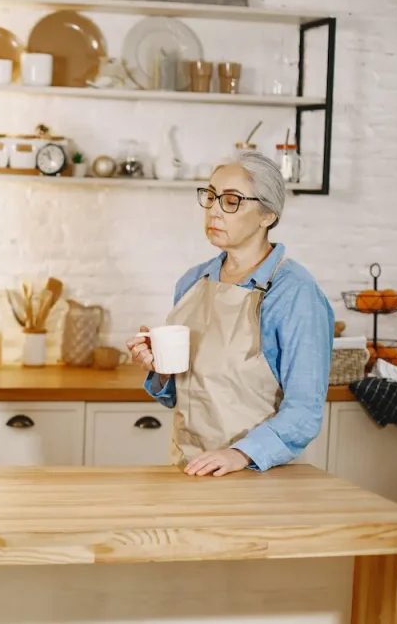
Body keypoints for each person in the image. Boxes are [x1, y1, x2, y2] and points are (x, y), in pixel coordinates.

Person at [127, 150, 333, 477]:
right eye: (210, 197)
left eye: (232, 201)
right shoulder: (193, 282)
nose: (214, 211)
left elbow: (305, 411)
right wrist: (160, 368)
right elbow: (186, 393)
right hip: (187, 467)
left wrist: (240, 454)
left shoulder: (293, 292)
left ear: (268, 214)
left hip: (257, 473)